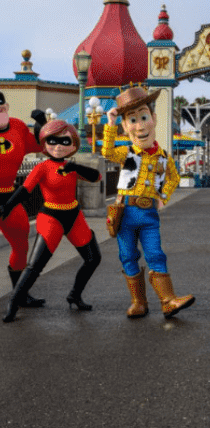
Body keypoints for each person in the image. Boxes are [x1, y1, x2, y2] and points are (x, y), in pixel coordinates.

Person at [102, 86, 195, 319]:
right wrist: (110, 124)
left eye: (144, 117)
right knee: (127, 255)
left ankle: (168, 300)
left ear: (153, 119)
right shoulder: (126, 153)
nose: (140, 126)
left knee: (155, 254)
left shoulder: (164, 157)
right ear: (126, 126)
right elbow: (106, 151)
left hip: (149, 215)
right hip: (125, 213)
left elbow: (173, 178)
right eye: (132, 120)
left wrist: (163, 197)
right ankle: (138, 302)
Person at [1, 120, 103, 322]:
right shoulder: (43, 167)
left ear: (73, 145)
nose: (58, 146)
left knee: (93, 258)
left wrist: (76, 166)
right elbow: (24, 191)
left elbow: (97, 177)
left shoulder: (70, 166)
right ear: (44, 144)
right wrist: (7, 207)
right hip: (51, 217)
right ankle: (14, 301)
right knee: (35, 266)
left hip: (74, 216)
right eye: (52, 141)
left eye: (64, 141)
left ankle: (75, 295)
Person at [0, 92, 48, 309]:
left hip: (9, 193)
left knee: (21, 243)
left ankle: (20, 293)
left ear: (6, 108)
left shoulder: (18, 127)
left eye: (1, 109)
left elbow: (40, 146)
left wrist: (41, 125)